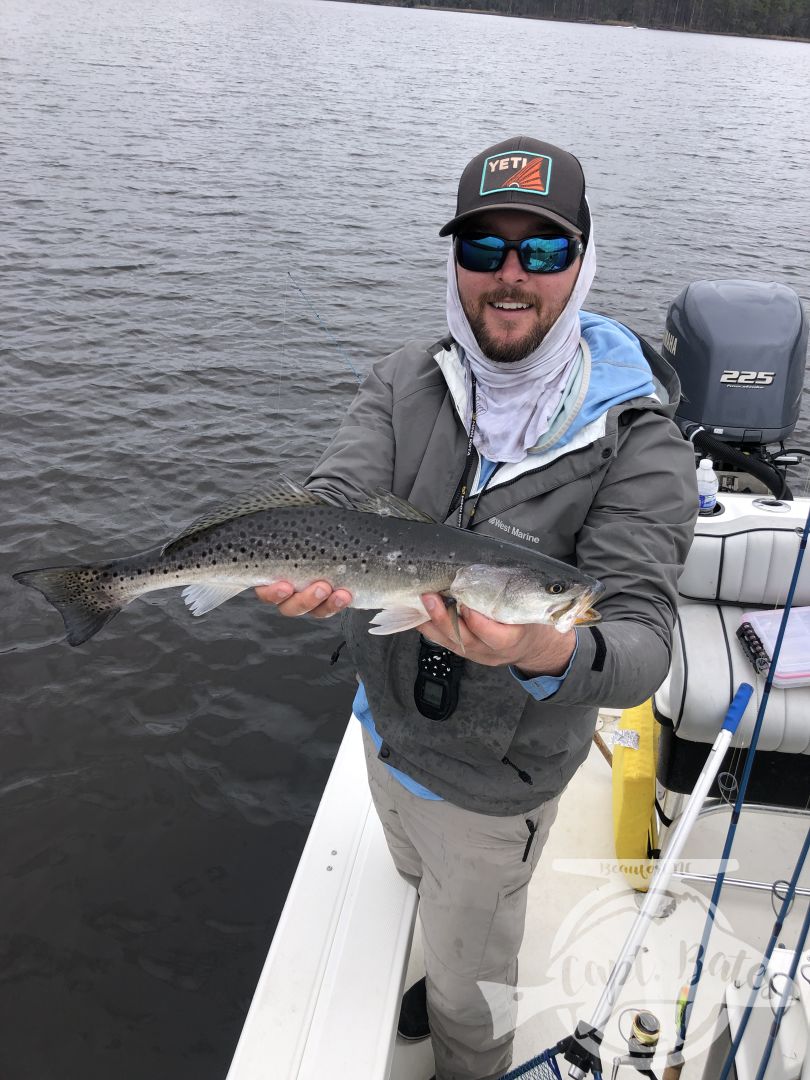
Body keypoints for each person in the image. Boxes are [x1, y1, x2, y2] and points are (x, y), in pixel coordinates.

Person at [256, 136, 698, 1080]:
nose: (509, 276)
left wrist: (542, 652)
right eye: (482, 249)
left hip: (496, 794)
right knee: (414, 880)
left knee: (467, 990)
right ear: (453, 262)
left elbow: (641, 642)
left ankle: (470, 1057)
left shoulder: (642, 446)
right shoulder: (405, 376)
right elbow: (338, 497)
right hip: (384, 736)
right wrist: (292, 551)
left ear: (582, 263)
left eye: (541, 251)